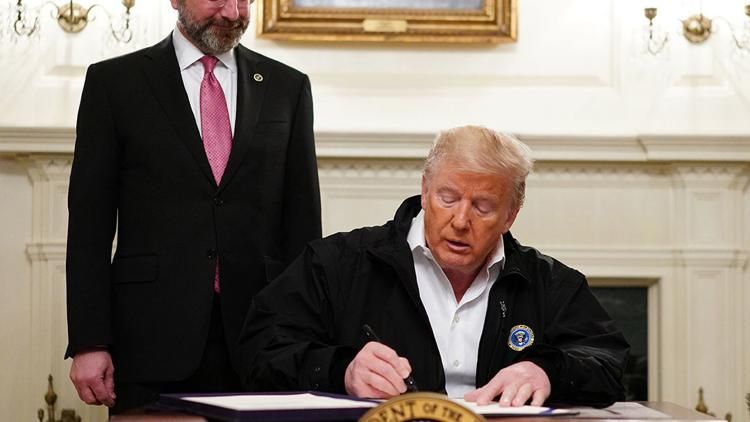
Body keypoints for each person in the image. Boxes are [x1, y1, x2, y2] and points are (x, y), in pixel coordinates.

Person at [239, 126, 629, 407]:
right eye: (448, 198)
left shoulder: (550, 283)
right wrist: (341, 370)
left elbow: (608, 363)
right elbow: (261, 351)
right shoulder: (337, 263)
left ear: (511, 215)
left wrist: (548, 371)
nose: (460, 220)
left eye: (482, 207)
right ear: (425, 191)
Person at [65, 0, 321, 414]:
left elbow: (303, 224)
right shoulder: (115, 83)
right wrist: (89, 341)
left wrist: (308, 338)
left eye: (244, 1)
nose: (233, 13)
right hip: (151, 337)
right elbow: (89, 228)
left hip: (261, 340)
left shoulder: (287, 87)